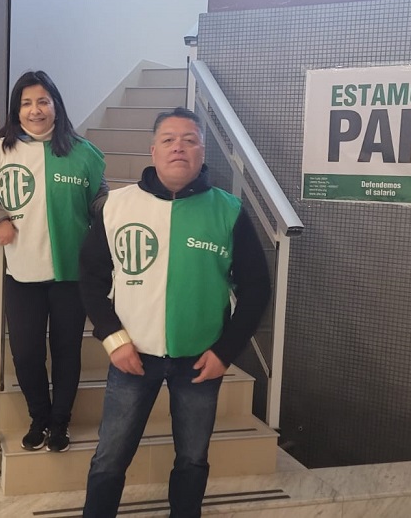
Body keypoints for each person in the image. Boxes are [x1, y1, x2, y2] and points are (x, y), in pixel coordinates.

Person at [79, 107, 271, 517]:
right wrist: (112, 338)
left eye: (190, 140)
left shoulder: (228, 210)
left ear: (203, 151)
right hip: (132, 356)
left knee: (192, 459)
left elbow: (256, 288)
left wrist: (226, 352)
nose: (178, 147)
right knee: (110, 457)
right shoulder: (116, 206)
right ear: (153, 150)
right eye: (168, 140)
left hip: (201, 360)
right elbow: (90, 278)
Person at [0, 70, 107, 453]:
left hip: (72, 275)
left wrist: (116, 212)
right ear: (16, 109)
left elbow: (98, 200)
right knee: (25, 353)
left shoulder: (83, 153)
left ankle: (60, 423)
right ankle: (39, 417)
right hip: (21, 274)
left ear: (56, 105)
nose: (35, 110)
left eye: (42, 101)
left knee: (67, 352)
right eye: (26, 103)